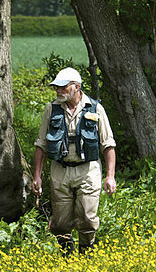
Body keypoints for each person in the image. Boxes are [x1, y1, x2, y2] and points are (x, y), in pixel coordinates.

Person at [32, 67, 116, 256]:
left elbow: (108, 144)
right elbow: (41, 145)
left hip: (88, 171)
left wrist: (110, 176)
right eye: (56, 87)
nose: (58, 91)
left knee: (87, 218)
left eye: (63, 87)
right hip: (60, 171)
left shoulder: (95, 108)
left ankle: (86, 256)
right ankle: (67, 259)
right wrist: (37, 176)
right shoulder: (51, 110)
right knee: (60, 223)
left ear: (76, 87)